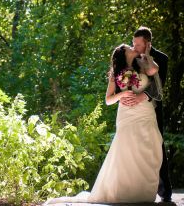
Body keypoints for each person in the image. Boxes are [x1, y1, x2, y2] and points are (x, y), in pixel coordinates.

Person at [44, 44, 163, 205]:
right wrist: (121, 94)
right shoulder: (115, 74)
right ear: (123, 53)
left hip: (144, 111)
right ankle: (123, 190)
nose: (133, 47)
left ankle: (141, 190)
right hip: (127, 115)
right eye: (129, 47)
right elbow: (108, 100)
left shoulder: (141, 64)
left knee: (148, 147)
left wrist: (147, 55)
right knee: (127, 150)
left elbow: (154, 74)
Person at [122, 26, 172, 202]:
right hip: (134, 110)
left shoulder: (162, 59)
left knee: (157, 144)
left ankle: (165, 191)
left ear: (148, 43)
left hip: (153, 108)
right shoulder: (133, 58)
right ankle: (136, 187)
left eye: (138, 44)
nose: (134, 47)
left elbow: (159, 84)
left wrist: (141, 98)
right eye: (133, 43)